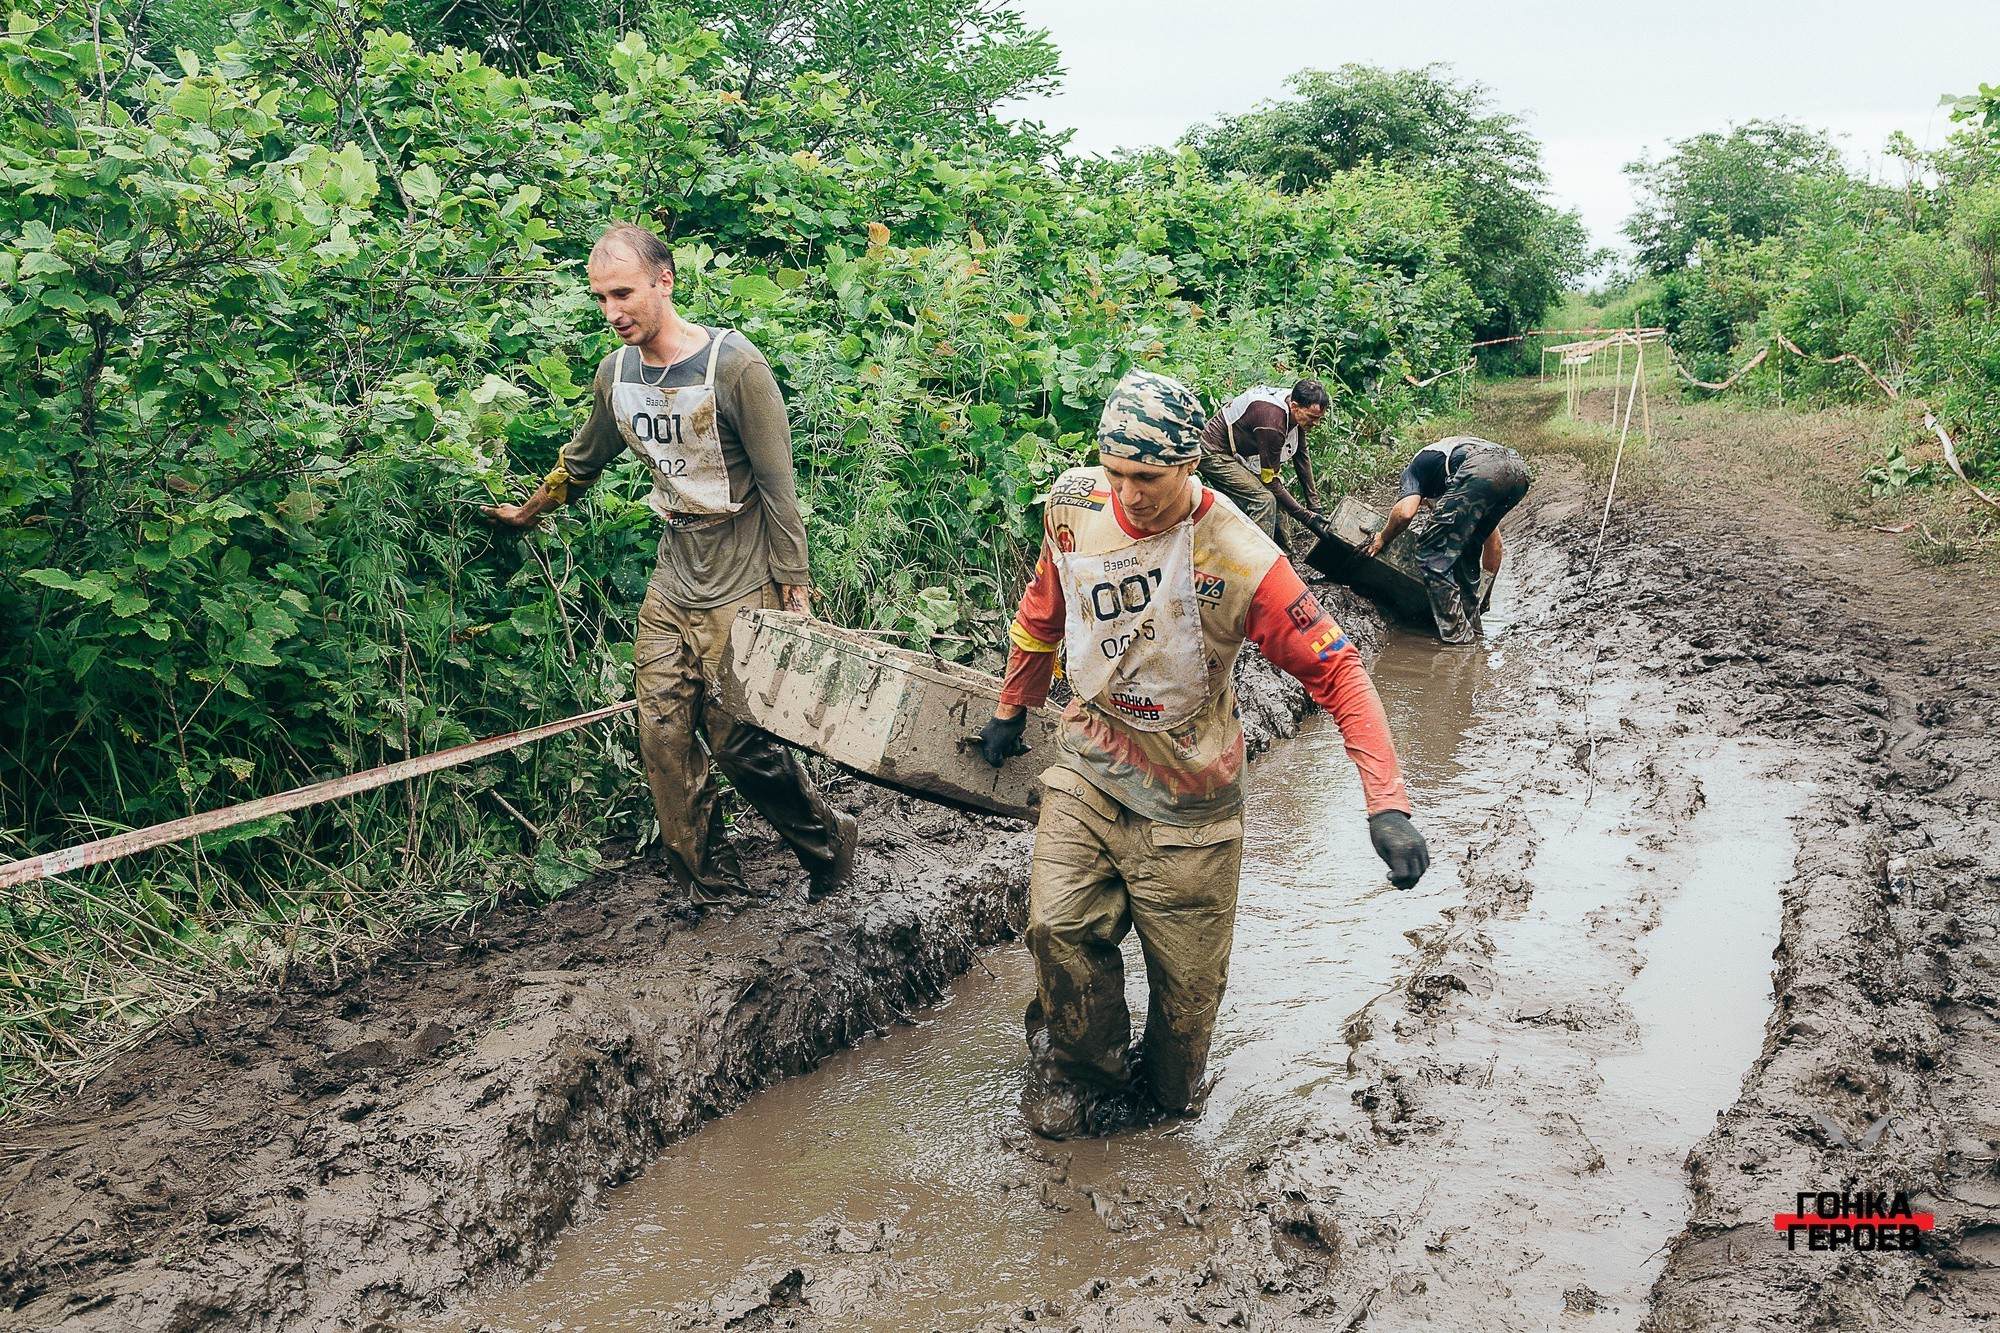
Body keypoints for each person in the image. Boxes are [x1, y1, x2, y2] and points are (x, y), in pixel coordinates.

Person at [977, 368, 1430, 1140]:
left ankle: (1160, 1105)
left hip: (1192, 797)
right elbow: (1044, 603)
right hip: (1090, 759)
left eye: (1148, 477)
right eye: (1116, 472)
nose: (1130, 494)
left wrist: (1386, 801)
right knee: (1056, 928)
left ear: (1191, 464)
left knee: (1185, 1011)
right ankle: (1079, 1071)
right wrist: (1011, 705)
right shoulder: (1074, 505)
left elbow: (1340, 670)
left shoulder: (1243, 558)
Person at [484, 223, 857, 904]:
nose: (612, 311)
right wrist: (527, 513)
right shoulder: (617, 374)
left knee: (739, 743)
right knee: (661, 738)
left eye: (622, 293)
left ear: (665, 281)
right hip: (674, 570)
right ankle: (709, 884)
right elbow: (582, 460)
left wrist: (795, 591)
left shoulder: (735, 367)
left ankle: (829, 842)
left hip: (743, 569)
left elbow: (779, 489)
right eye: (599, 298)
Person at [1364, 435, 1532, 645]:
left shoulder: (1416, 469)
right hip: (1518, 472)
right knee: (1468, 548)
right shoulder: (1457, 479)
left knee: (1431, 551)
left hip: (1483, 467)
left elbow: (1405, 513)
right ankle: (1473, 629)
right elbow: (1494, 544)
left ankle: (1459, 639)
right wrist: (1485, 592)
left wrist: (1383, 537)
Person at [1197, 378, 1334, 548]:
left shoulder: (1295, 407)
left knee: (1280, 506)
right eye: (1312, 417)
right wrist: (1306, 517)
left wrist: (1314, 506)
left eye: (1319, 418)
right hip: (1214, 452)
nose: (1316, 423)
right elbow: (1270, 481)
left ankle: (1284, 567)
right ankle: (1255, 563)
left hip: (1243, 454)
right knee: (1263, 500)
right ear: (1294, 406)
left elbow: (1301, 455)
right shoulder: (1272, 423)